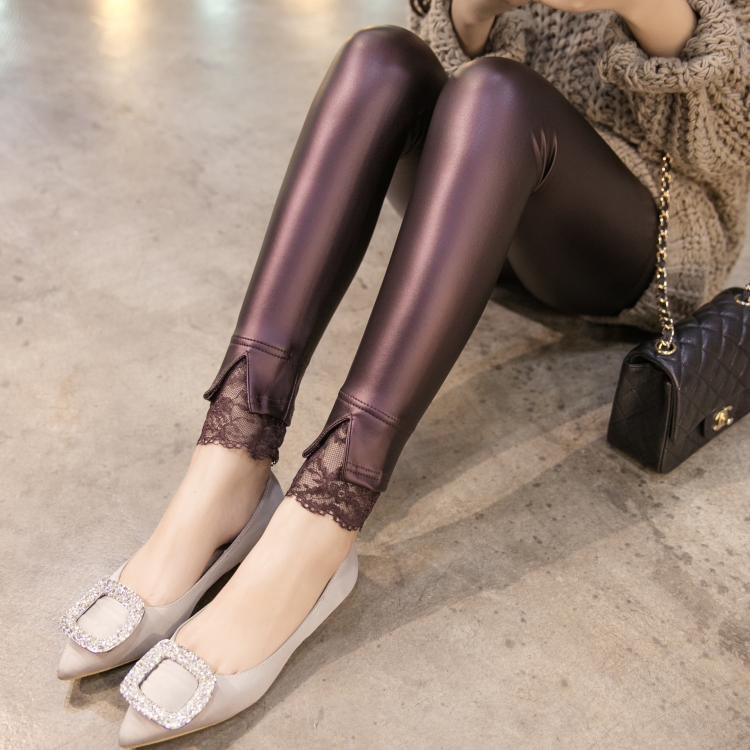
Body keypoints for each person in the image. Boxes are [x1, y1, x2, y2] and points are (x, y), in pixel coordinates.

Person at [57, 0, 750, 745]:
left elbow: (728, 142)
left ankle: (323, 520)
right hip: (486, 190)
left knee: (501, 97)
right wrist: (473, 11)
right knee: (382, 59)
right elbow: (447, 76)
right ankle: (230, 458)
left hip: (641, 231)